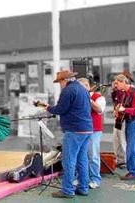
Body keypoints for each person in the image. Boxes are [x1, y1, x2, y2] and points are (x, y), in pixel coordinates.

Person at [42, 70, 93, 198]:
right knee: (82, 160)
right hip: (87, 129)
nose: (60, 85)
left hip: (74, 130)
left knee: (68, 161)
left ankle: (67, 190)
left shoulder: (67, 91)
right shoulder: (83, 89)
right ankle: (83, 188)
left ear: (65, 80)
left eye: (60, 82)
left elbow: (60, 109)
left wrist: (47, 108)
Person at [113, 74, 135, 180]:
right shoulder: (125, 93)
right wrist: (119, 109)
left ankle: (133, 172)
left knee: (131, 148)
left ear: (124, 82)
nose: (116, 86)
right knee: (134, 148)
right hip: (130, 121)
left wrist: (124, 110)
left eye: (117, 83)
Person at [78, 78, 106, 189]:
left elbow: (99, 110)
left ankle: (95, 179)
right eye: (81, 86)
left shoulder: (99, 97)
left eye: (85, 85)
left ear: (89, 86)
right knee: (81, 156)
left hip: (94, 130)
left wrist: (88, 99)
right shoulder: (78, 98)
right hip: (80, 130)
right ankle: (81, 178)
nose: (83, 87)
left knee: (93, 155)